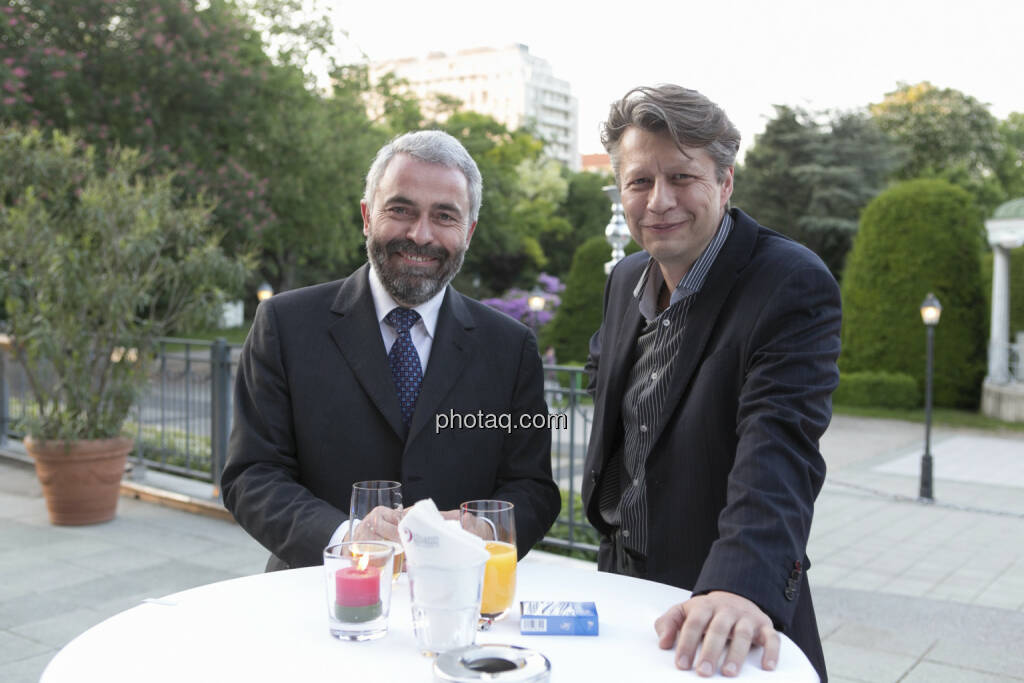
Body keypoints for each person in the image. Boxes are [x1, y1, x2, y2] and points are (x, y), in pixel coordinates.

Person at [582, 85, 840, 681]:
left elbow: (779, 445)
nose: (659, 201)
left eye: (682, 177)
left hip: (718, 604)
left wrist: (735, 585)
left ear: (724, 184)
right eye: (639, 181)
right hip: (622, 588)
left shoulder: (789, 282)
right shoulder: (625, 278)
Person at [222, 130, 561, 572]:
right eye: (401, 210)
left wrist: (484, 529)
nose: (420, 235)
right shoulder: (285, 326)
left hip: (461, 599)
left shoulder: (511, 348)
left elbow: (532, 487)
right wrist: (348, 539)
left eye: (444, 216)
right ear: (367, 215)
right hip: (321, 595)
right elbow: (252, 475)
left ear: (469, 231)